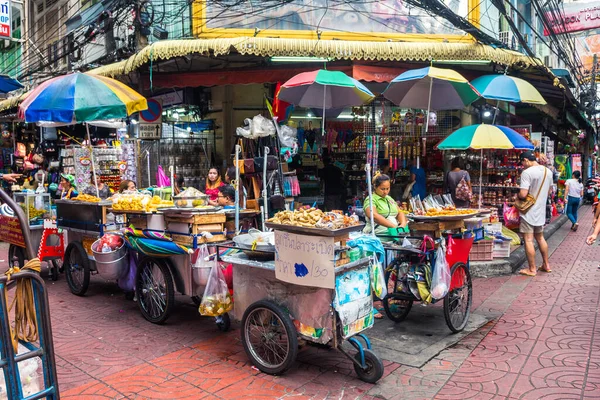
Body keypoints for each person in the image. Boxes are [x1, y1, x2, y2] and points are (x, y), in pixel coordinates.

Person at [517, 151, 552, 276]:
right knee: (540, 238)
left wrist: (516, 196)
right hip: (540, 211)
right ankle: (546, 265)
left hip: (528, 212)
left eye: (522, 163)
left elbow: (523, 194)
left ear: (526, 160)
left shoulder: (527, 173)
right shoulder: (548, 172)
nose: (523, 166)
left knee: (528, 240)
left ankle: (532, 269)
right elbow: (549, 192)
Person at [363, 172, 409, 238]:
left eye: (387, 188)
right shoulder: (371, 199)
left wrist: (403, 224)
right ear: (375, 187)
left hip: (393, 236)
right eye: (382, 189)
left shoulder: (389, 199)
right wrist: (393, 226)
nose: (385, 192)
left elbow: (399, 212)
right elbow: (373, 215)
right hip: (377, 238)